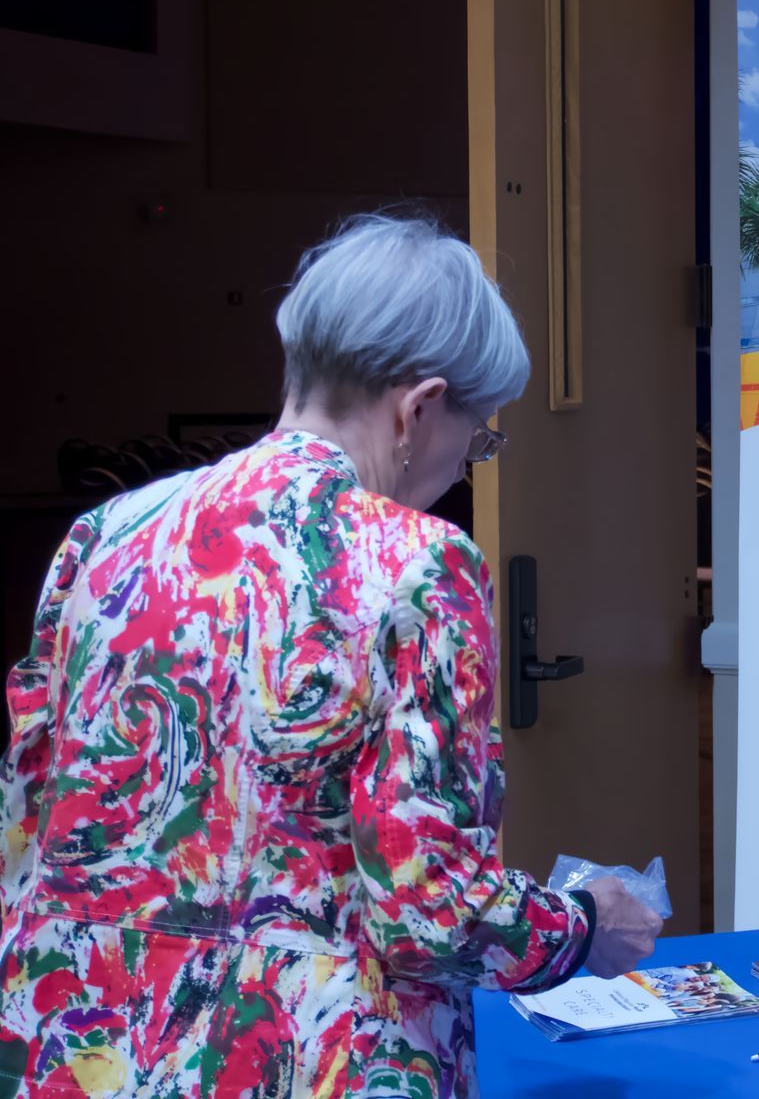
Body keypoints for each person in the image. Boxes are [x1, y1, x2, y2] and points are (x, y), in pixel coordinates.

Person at [0, 214, 661, 1095]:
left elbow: (30, 820)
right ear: (419, 407)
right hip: (309, 1059)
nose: (467, 467)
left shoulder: (104, 535)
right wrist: (582, 927)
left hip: (78, 1045)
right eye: (481, 439)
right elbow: (432, 906)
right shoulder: (421, 564)